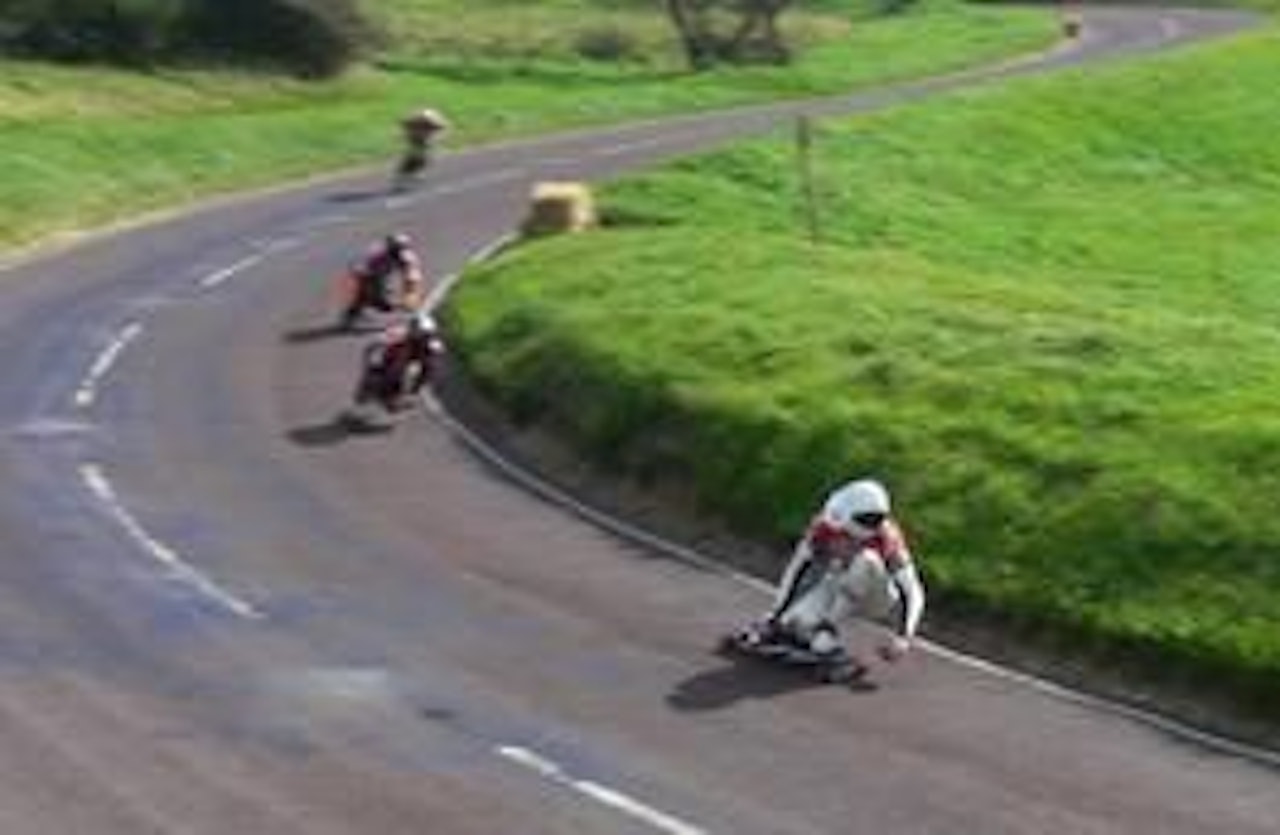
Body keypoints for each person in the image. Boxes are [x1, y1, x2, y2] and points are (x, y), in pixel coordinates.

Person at [737, 478, 926, 673]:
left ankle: (827, 631)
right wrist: (776, 615)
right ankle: (810, 635)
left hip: (877, 597)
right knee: (794, 623)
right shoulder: (824, 525)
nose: (837, 532)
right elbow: (798, 569)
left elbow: (912, 591)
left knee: (866, 561)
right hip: (837, 582)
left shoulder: (887, 538)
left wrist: (904, 636)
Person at [353, 309, 446, 412]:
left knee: (411, 374)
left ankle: (401, 397)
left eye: (419, 331)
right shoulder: (402, 333)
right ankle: (376, 392)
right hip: (394, 363)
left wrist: (417, 388)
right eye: (413, 327)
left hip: (415, 369)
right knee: (379, 373)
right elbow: (378, 342)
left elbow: (434, 366)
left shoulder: (432, 346)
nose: (415, 332)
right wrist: (371, 357)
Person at [340, 233, 424, 329]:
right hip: (368, 272)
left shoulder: (407, 257)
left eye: (401, 250)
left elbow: (412, 277)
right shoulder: (375, 254)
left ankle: (415, 315)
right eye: (395, 251)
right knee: (373, 297)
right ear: (389, 248)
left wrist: (410, 296)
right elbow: (358, 268)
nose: (398, 254)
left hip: (381, 273)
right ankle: (352, 315)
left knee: (392, 299)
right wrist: (370, 282)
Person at [393, 107, 450, 191]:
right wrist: (409, 136)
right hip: (414, 135)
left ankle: (415, 172)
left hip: (426, 136)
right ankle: (404, 175)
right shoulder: (411, 122)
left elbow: (443, 130)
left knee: (425, 155)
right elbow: (404, 129)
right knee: (413, 156)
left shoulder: (435, 121)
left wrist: (434, 139)